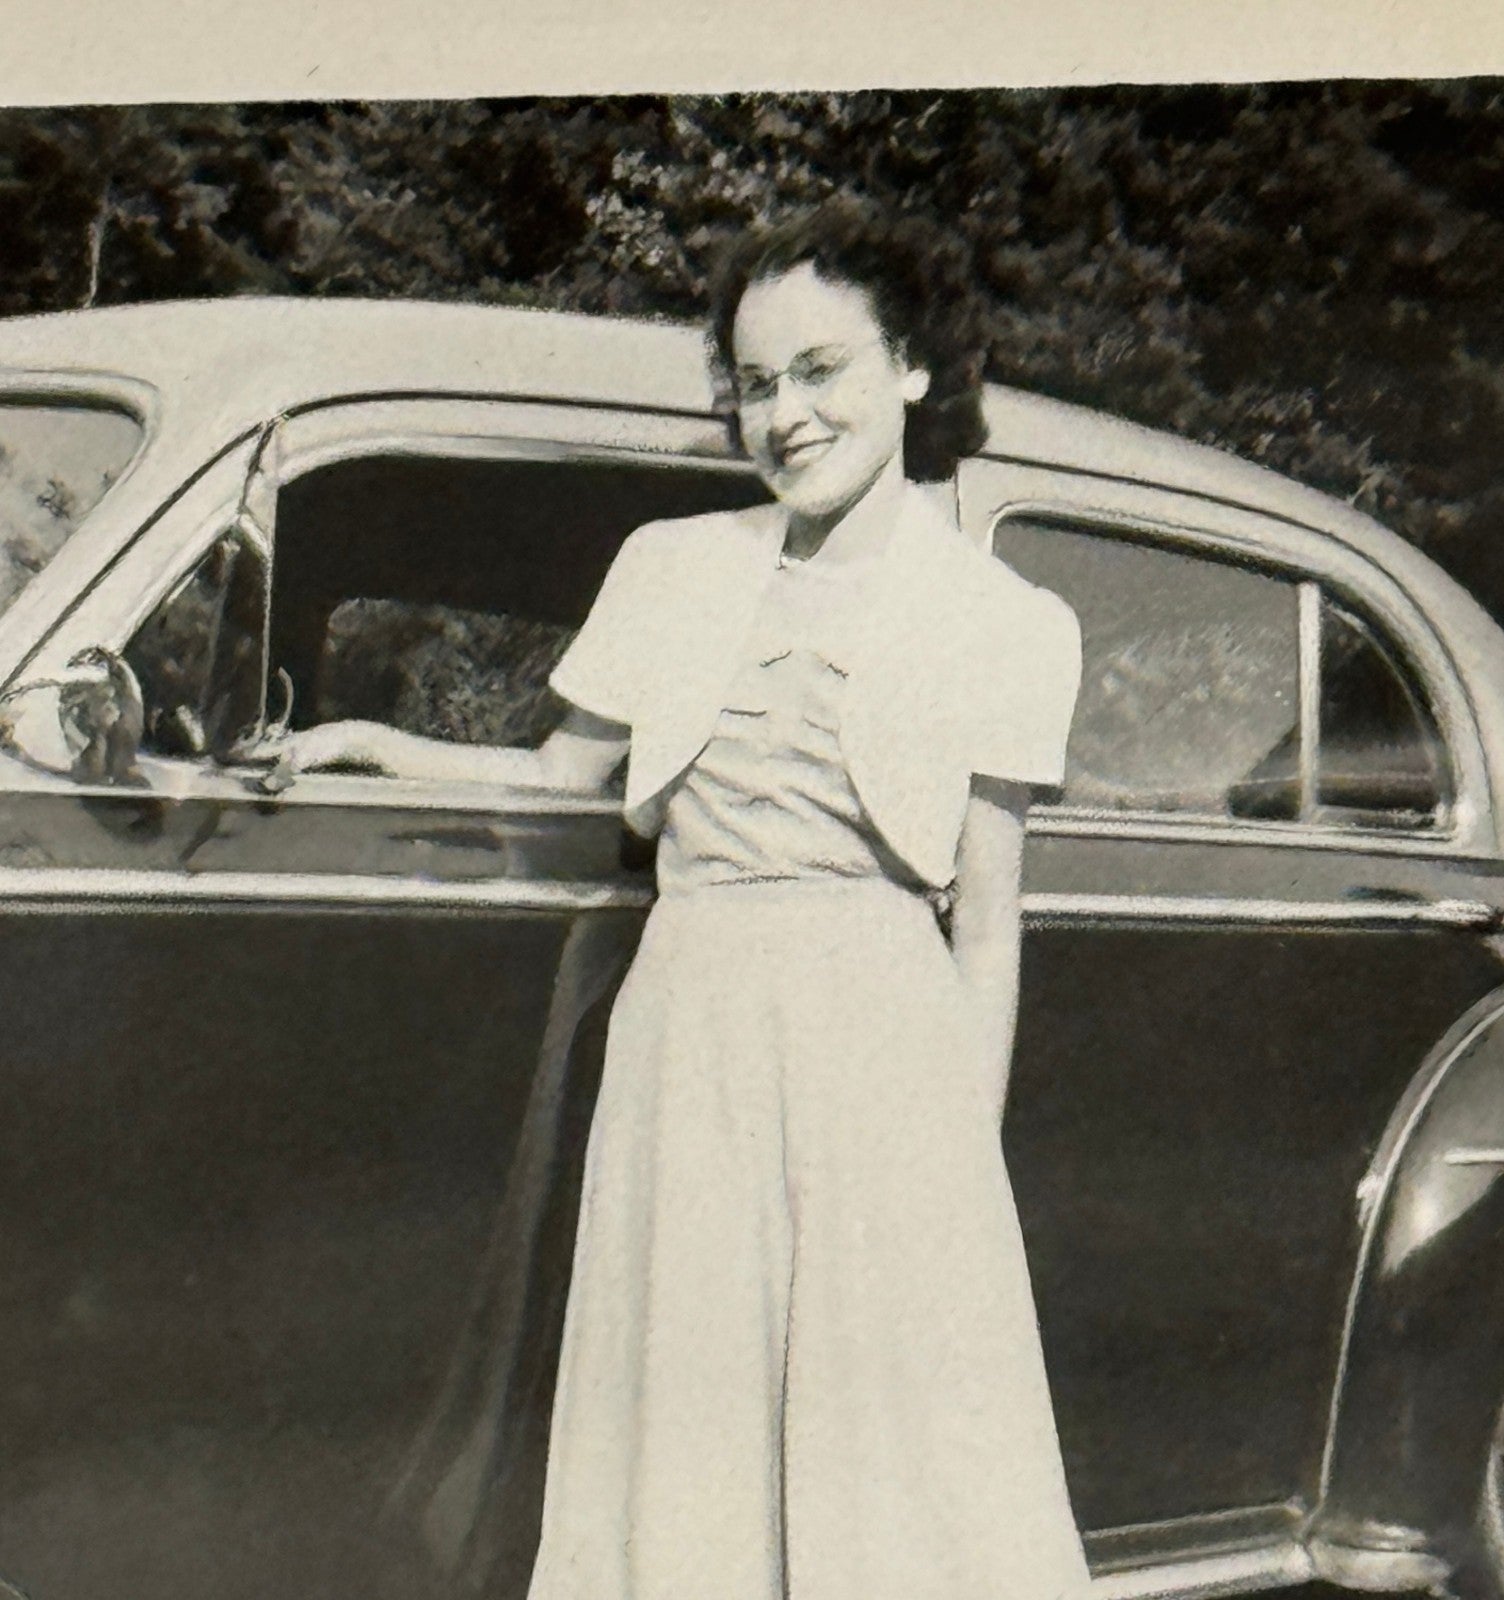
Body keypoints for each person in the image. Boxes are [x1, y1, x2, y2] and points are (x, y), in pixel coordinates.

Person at [270, 198, 1092, 1600]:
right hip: (691, 1032)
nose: (785, 416)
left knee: (894, 1451)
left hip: (881, 1059)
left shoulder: (1009, 621)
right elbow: (565, 773)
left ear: (911, 365)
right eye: (757, 384)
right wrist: (383, 746)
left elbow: (988, 919)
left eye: (821, 371)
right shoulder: (670, 566)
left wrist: (964, 1161)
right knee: (685, 1435)